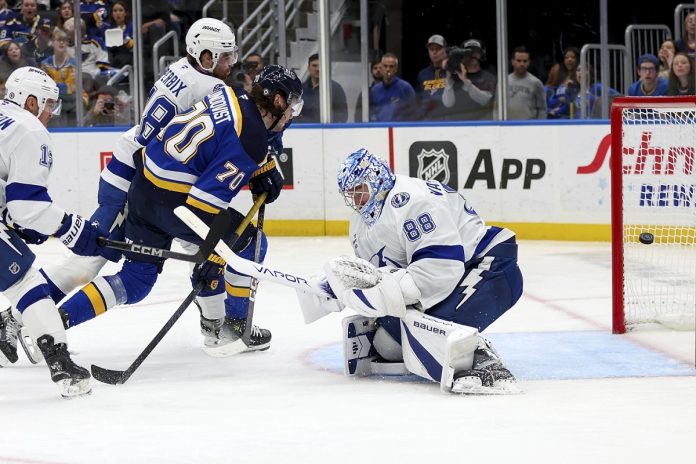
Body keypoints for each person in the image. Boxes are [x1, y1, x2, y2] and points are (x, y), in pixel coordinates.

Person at [27, 19, 278, 356]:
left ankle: (216, 325)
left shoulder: (182, 70)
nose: (231, 63)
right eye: (225, 56)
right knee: (89, 261)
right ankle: (22, 321)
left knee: (156, 267)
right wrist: (263, 160)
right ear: (205, 57)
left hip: (136, 171)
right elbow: (239, 128)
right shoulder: (212, 89)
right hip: (133, 178)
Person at [58, 65, 303, 358]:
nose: (292, 115)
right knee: (250, 242)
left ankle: (53, 324)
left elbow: (226, 138)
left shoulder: (230, 93)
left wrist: (261, 166)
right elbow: (201, 207)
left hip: (143, 188)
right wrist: (213, 258)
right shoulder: (250, 139)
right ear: (277, 101)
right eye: (292, 106)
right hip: (177, 204)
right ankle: (234, 328)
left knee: (136, 280)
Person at [296, 149, 523, 394]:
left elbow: (439, 270)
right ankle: (458, 345)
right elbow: (378, 276)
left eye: (359, 190)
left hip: (489, 267)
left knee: (436, 335)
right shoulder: (360, 223)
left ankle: (480, 357)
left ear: (376, 180)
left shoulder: (413, 201)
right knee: (388, 344)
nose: (356, 199)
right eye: (350, 194)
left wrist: (382, 292)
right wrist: (343, 287)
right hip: (450, 277)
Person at [0, 66, 110, 398]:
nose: (50, 113)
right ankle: (60, 362)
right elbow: (28, 206)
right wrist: (74, 230)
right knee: (24, 282)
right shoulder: (29, 129)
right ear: (30, 101)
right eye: (48, 104)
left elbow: (13, 204)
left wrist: (16, 219)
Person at [441, 39, 496, 120]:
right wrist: (448, 78)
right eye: (469, 51)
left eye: (475, 51)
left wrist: (466, 81)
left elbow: (485, 101)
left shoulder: (488, 77)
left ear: (481, 55)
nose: (472, 54)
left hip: (481, 126)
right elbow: (448, 104)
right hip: (456, 126)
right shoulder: (454, 76)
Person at [296, 53, 347, 122]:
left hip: (329, 131)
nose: (317, 69)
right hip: (303, 131)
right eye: (314, 66)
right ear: (308, 68)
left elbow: (342, 114)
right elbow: (294, 113)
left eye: (321, 66)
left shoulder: (335, 89)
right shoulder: (299, 89)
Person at [369, 52, 417, 121]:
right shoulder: (374, 90)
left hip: (400, 129)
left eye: (391, 66)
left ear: (396, 69)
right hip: (380, 129)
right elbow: (371, 114)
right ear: (381, 68)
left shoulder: (406, 88)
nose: (388, 69)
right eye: (385, 66)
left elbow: (414, 113)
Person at [506, 45, 546, 120]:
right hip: (507, 126)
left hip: (529, 127)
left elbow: (542, 109)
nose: (522, 64)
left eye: (525, 61)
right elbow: (496, 107)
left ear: (529, 62)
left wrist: (540, 127)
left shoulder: (536, 83)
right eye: (518, 60)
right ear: (512, 62)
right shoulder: (504, 82)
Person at [416, 34, 448, 120]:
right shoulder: (422, 74)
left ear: (445, 50)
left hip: (450, 121)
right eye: (431, 49)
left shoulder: (453, 72)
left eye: (438, 49)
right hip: (428, 123)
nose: (434, 52)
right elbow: (418, 101)